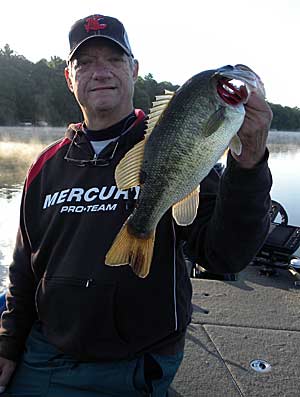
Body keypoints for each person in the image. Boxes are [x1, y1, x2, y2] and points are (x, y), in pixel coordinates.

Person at [0, 13, 273, 397]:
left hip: (133, 363)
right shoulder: (45, 167)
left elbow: (225, 255)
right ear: (69, 77)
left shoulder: (172, 144)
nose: (101, 72)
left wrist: (248, 164)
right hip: (45, 353)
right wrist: (8, 344)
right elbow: (23, 269)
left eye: (113, 59)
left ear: (134, 69)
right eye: (86, 62)